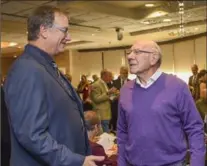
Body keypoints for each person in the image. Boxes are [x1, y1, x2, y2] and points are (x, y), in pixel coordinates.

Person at [3, 6, 104, 166]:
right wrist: (74, 160)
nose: (69, 37)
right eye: (64, 30)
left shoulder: (46, 66)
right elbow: (32, 135)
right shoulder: (27, 69)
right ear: (44, 30)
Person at [117, 40, 205, 166]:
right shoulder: (125, 90)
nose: (129, 56)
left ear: (154, 58)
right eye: (129, 52)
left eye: (137, 52)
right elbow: (122, 132)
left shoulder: (177, 86)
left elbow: (194, 128)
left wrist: (197, 163)